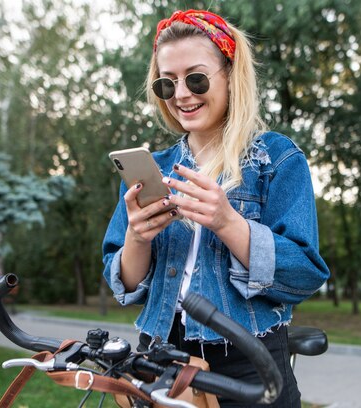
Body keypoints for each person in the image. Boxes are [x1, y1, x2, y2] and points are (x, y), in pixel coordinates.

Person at [102, 9, 329, 407]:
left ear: (230, 73)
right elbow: (124, 281)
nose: (182, 95)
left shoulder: (277, 159)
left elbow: (305, 273)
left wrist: (227, 222)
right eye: (167, 83)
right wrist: (137, 238)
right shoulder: (151, 166)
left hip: (248, 359)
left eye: (195, 77)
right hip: (161, 356)